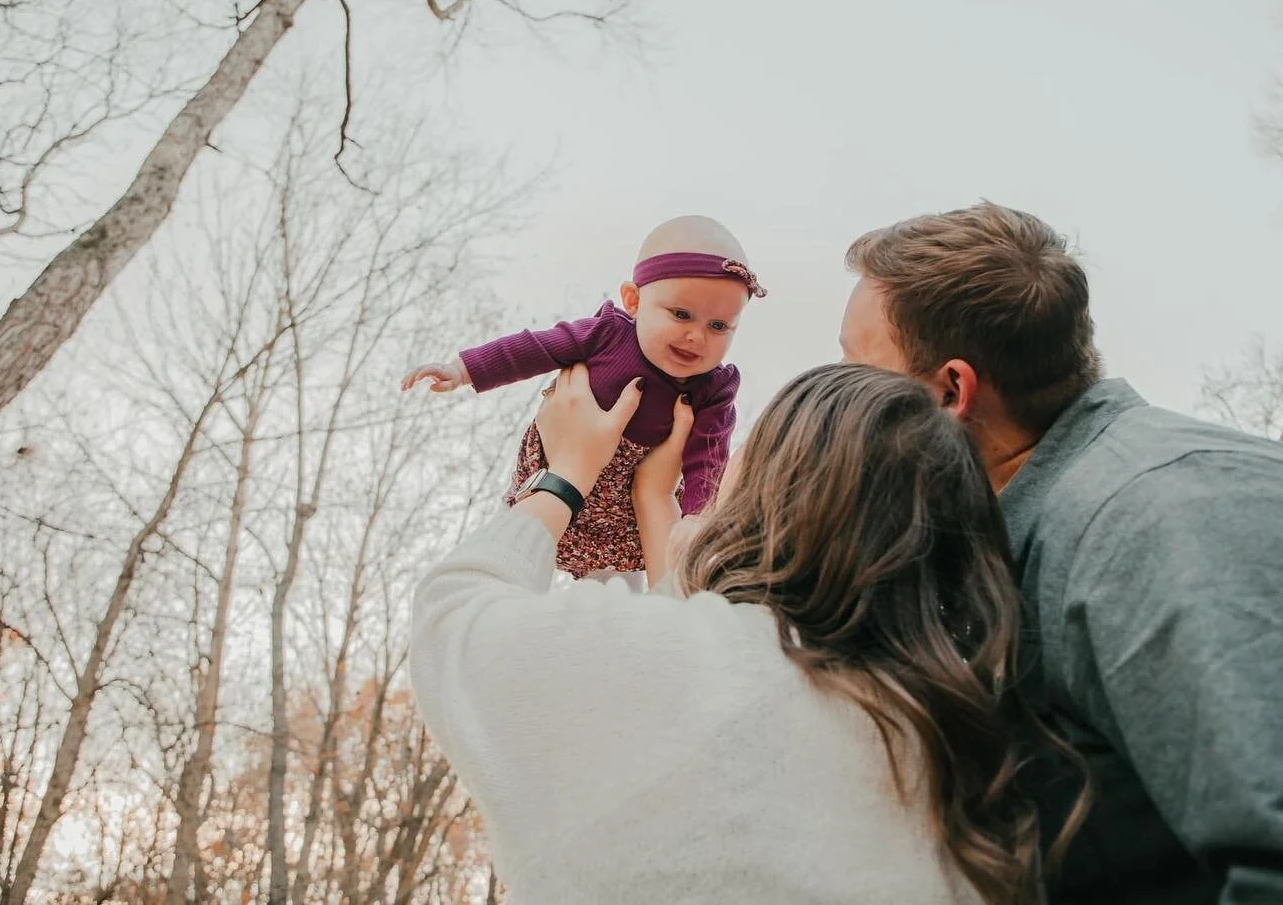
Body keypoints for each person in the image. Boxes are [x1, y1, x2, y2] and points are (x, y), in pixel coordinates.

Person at [410, 362, 1085, 905]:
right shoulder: (970, 750)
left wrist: (564, 477)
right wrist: (662, 513)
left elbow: (453, 610)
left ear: (776, 494)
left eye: (746, 453)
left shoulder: (666, 667)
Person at [838, 202, 1283, 904]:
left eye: (856, 369)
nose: (840, 401)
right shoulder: (1025, 528)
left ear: (951, 389)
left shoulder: (1162, 517)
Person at [401, 215, 765, 581]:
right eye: (681, 314)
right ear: (634, 300)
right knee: (521, 547)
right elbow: (534, 348)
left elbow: (709, 457)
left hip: (627, 519)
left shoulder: (713, 388)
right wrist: (464, 370)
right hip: (557, 468)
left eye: (719, 326)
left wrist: (697, 518)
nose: (696, 337)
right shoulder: (607, 334)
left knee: (616, 588)